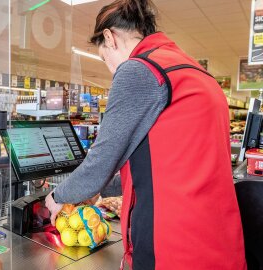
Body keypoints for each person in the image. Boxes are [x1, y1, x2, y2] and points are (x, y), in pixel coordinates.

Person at [45, 0, 247, 269]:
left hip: (174, 246)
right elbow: (165, 161)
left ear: (110, 38)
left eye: (105, 59)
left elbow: (101, 162)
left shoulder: (139, 69)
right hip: (218, 240)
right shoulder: (196, 73)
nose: (112, 70)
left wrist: (58, 196)